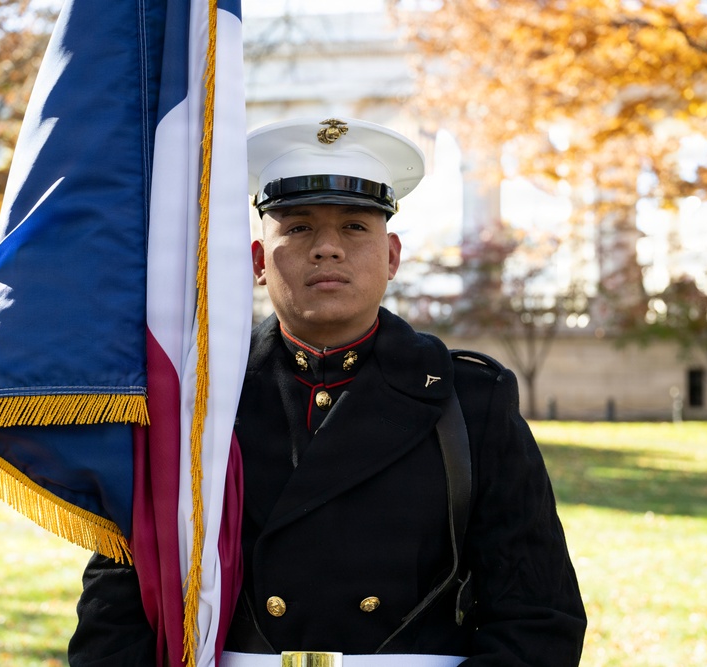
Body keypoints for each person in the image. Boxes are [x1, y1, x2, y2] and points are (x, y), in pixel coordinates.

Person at [68, 117, 586, 666]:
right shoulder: (195, 403)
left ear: (391, 257)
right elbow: (117, 614)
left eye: (356, 227)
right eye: (297, 227)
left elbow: (537, 615)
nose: (327, 249)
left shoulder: (472, 402)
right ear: (257, 261)